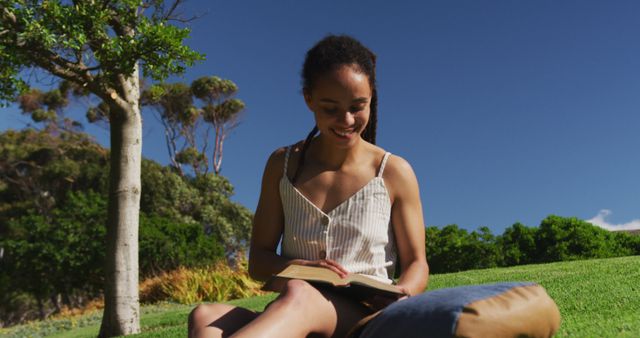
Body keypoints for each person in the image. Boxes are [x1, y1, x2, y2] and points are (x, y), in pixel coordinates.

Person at [188, 34, 429, 338]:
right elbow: (259, 261)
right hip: (295, 305)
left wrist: (405, 291)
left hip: (364, 319)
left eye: (358, 106)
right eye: (330, 108)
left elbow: (417, 262)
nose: (346, 120)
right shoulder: (283, 165)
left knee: (300, 294)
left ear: (371, 99)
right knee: (205, 315)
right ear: (309, 99)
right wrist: (295, 265)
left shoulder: (393, 171)